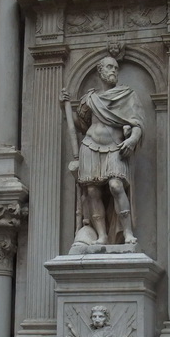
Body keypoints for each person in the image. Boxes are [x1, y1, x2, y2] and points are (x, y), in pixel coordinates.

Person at [60, 56, 145, 246]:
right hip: (90, 147)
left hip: (115, 147)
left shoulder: (127, 95)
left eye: (115, 67)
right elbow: (82, 125)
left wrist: (132, 139)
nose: (113, 70)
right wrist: (64, 107)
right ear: (100, 71)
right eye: (109, 67)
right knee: (92, 191)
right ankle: (102, 236)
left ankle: (128, 233)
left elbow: (137, 122)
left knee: (116, 186)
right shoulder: (90, 98)